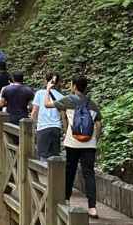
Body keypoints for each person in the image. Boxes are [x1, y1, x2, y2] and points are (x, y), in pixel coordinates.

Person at [44, 76, 102, 219]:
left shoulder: (69, 100)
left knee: (70, 171)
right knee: (89, 174)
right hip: (89, 144)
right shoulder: (92, 104)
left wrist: (48, 89)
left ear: (74, 86)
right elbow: (99, 124)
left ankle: (66, 200)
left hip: (72, 143)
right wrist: (95, 139)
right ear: (85, 87)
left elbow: (47, 104)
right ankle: (92, 207)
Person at [31, 73, 65, 160]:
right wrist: (65, 130)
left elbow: (34, 111)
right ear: (58, 83)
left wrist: (32, 126)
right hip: (56, 128)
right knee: (55, 157)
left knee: (43, 156)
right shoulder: (61, 97)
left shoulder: (39, 93)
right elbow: (63, 116)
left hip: (43, 128)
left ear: (46, 81)